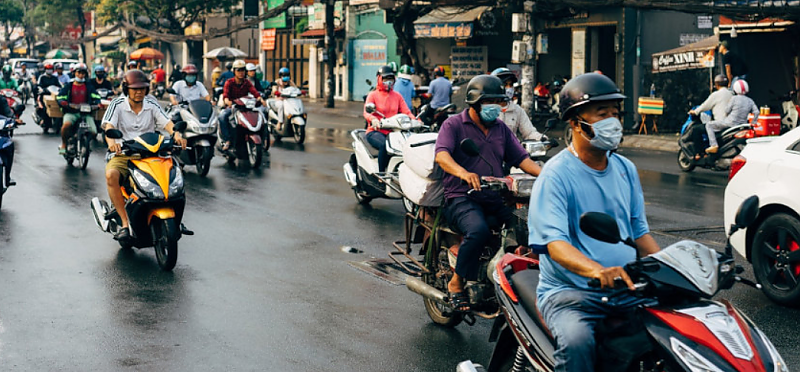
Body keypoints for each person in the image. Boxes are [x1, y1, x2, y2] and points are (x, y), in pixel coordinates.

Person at [527, 73, 661, 372]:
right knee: (577, 343)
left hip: (627, 286)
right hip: (571, 292)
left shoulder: (625, 168)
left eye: (615, 114)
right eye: (602, 114)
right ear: (575, 122)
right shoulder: (555, 175)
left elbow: (639, 233)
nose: (612, 121)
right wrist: (597, 270)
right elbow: (555, 244)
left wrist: (671, 268)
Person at [434, 74, 542, 311]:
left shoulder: (501, 129)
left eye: (498, 101)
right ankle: (456, 282)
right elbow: (442, 155)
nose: (496, 107)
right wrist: (463, 173)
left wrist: (546, 175)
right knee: (478, 230)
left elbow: (521, 159)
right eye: (489, 101)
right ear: (474, 102)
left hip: (493, 195)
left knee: (527, 226)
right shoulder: (453, 125)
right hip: (461, 196)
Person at [101, 69, 186, 242]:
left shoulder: (151, 103)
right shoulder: (117, 104)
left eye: (142, 88)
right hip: (125, 153)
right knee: (111, 175)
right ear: (127, 89)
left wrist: (176, 134)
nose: (139, 92)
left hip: (151, 152)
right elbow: (108, 126)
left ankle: (177, 220)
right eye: (134, 89)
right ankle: (125, 224)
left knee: (175, 175)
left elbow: (167, 123)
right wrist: (112, 144)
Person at [363, 65, 414, 172]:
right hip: (376, 131)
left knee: (406, 146)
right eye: (385, 79)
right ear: (379, 79)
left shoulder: (397, 96)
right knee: (385, 145)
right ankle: (381, 174)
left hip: (393, 132)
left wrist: (415, 121)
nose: (388, 81)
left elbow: (406, 111)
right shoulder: (373, 95)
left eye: (390, 79)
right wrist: (373, 119)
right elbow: (366, 112)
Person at [56, 63, 101, 154]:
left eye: (83, 73)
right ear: (74, 73)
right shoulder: (69, 85)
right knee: (66, 126)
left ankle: (84, 142)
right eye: (79, 72)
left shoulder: (88, 86)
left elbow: (96, 96)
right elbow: (60, 97)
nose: (81, 75)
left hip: (86, 113)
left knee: (94, 132)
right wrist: (64, 103)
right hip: (71, 112)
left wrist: (98, 103)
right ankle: (64, 144)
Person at [705, 79, 758, 154]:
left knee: (709, 125)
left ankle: (714, 145)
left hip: (730, 123)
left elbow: (726, 110)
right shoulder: (750, 101)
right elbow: (756, 112)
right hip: (743, 125)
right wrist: (753, 122)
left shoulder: (734, 98)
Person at [491, 68, 545, 142]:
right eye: (505, 84)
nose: (509, 88)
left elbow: (529, 132)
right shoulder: (487, 110)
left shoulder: (517, 110)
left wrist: (542, 138)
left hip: (513, 150)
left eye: (511, 85)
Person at [687, 74, 733, 158]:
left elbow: (705, 105)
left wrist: (695, 111)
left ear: (717, 84)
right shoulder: (732, 94)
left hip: (720, 124)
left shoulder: (716, 95)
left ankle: (700, 153)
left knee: (696, 130)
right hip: (731, 124)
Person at [219, 60, 261, 151]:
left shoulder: (247, 82)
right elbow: (225, 96)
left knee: (260, 116)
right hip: (233, 107)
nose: (241, 73)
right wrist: (228, 102)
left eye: (243, 70)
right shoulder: (229, 82)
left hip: (245, 108)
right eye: (238, 70)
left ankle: (262, 138)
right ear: (234, 71)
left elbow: (254, 92)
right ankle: (227, 140)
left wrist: (259, 98)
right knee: (222, 116)